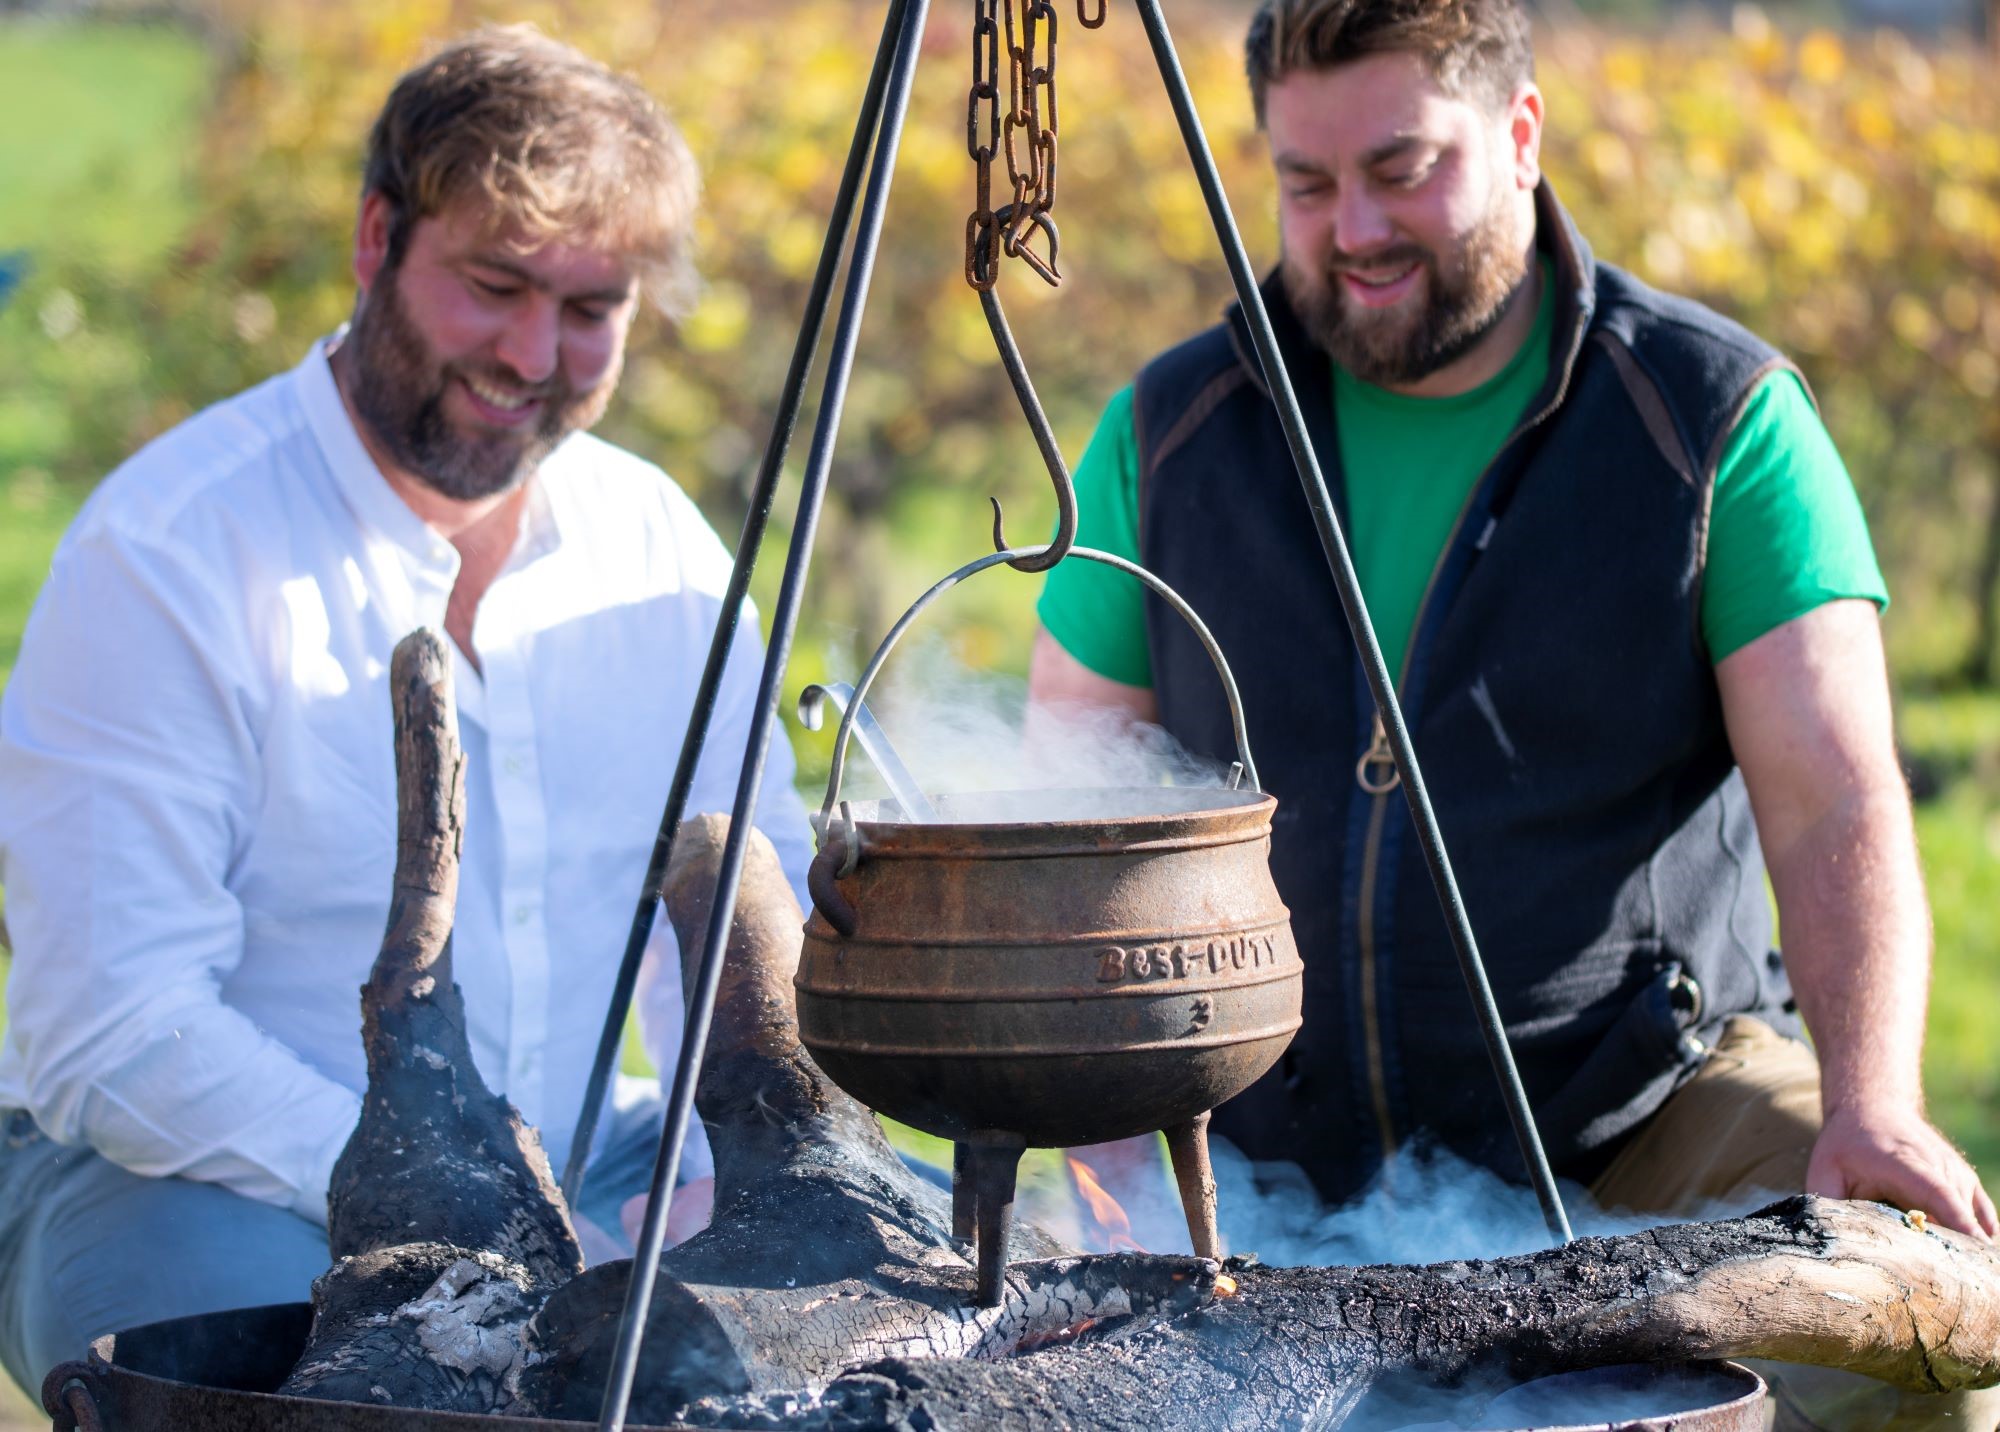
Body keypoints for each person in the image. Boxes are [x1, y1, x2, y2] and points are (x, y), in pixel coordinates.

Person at [1029, 2, 1995, 1425]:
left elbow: (1835, 794)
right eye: (1306, 183)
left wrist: (1872, 1101)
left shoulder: (1710, 417)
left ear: (1522, 134)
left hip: (1639, 1114)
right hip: (1243, 1146)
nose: (1352, 225)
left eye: (1402, 167)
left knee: (1914, 1330)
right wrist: (1099, 1107)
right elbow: (1073, 803)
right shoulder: (1172, 432)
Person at [0, 25, 811, 1392]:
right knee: (299, 1383)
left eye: (591, 309)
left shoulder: (658, 549)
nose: (534, 354)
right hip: (200, 1171)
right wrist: (455, 1206)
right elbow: (112, 1036)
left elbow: (740, 912)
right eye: (494, 284)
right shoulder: (169, 553)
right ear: (378, 238)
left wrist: (723, 1159)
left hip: (572, 1155)